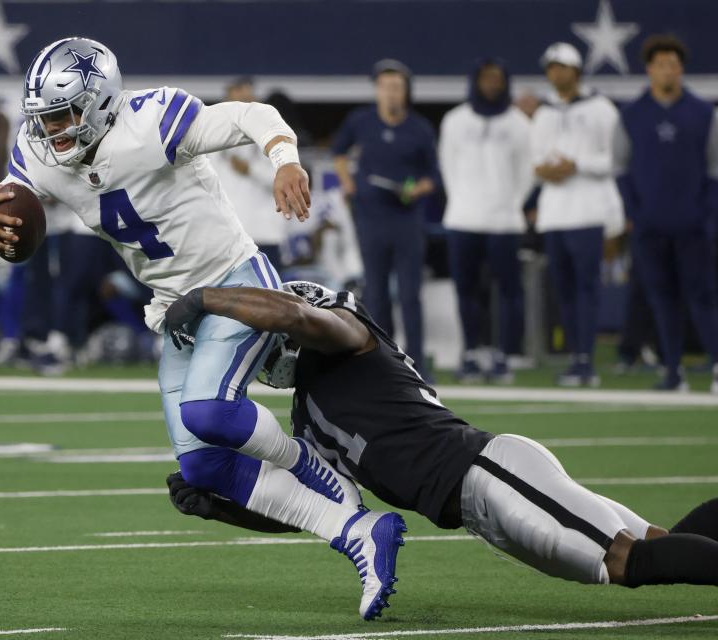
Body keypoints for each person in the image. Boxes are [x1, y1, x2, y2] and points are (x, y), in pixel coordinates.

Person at [0, 37, 405, 620]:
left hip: (236, 283)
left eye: (62, 116)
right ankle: (358, 531)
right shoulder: (41, 153)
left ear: (100, 101)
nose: (50, 132)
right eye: (41, 118)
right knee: (204, 467)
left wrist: (285, 158)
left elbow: (248, 115)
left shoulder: (153, 120)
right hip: (174, 306)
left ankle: (311, 466)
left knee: (209, 413)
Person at [163, 281, 718, 591]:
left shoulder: (352, 337)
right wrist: (220, 508)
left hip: (491, 472)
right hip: (478, 506)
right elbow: (327, 507)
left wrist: (211, 299)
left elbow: (301, 319)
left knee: (623, 561)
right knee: (646, 547)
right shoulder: (307, 417)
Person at [614, 35, 718, 393]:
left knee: (703, 297)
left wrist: (705, 214)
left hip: (693, 226)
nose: (667, 70)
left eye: (673, 64)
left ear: (681, 68)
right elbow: (621, 169)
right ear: (649, 70)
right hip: (650, 227)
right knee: (662, 299)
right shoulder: (632, 114)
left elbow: (715, 170)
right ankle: (673, 371)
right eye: (660, 64)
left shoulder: (704, 113)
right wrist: (636, 213)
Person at [332, 59, 438, 380]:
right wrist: (347, 182)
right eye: (386, 87)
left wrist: (417, 189)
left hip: (406, 220)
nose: (391, 93)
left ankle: (417, 363)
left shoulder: (419, 128)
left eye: (397, 87)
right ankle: (383, 361)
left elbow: (432, 176)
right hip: (370, 218)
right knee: (375, 293)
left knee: (410, 294)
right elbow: (338, 153)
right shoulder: (360, 121)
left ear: (406, 92)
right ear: (377, 90)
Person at [531, 43, 624, 387]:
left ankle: (587, 359)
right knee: (565, 290)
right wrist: (546, 171)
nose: (557, 74)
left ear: (577, 70)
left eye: (563, 67)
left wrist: (577, 165)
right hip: (555, 215)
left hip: (588, 213)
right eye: (552, 68)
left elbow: (614, 160)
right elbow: (535, 161)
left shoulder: (601, 109)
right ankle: (575, 358)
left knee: (587, 289)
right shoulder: (543, 114)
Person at [439, 58, 533, 383]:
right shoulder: (455, 121)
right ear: (475, 81)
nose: (492, 84)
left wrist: (510, 203)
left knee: (508, 291)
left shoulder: (519, 123)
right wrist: (464, 201)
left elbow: (527, 172)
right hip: (463, 219)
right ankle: (471, 352)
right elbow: (447, 167)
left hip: (505, 221)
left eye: (497, 79)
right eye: (486, 78)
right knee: (466, 289)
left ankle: (504, 355)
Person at [211, 77, 288, 268]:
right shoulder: (211, 141)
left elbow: (285, 177)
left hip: (263, 234)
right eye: (236, 99)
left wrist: (250, 170)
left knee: (271, 295)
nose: (241, 106)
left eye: (247, 100)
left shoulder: (272, 133)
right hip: (227, 238)